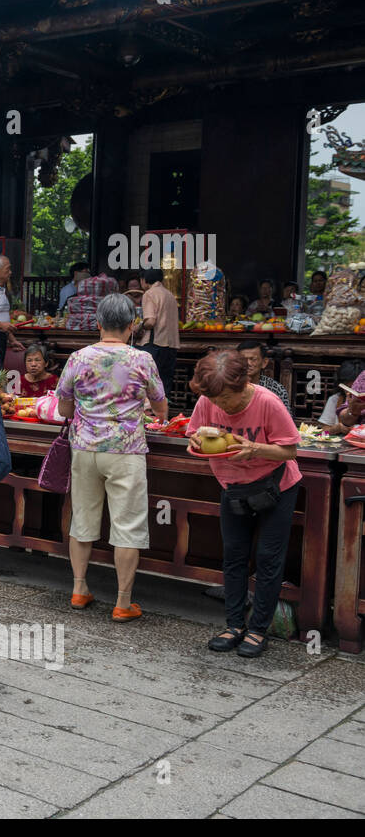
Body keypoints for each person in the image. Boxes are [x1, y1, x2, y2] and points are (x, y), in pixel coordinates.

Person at [56, 293, 168, 622]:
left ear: (98, 323)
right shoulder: (143, 360)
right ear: (132, 326)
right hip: (126, 451)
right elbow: (160, 409)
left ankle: (79, 589)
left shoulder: (78, 357)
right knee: (127, 526)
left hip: (85, 449)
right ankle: (122, 602)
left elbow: (64, 407)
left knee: (83, 520)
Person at [187, 351, 301, 659]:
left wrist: (254, 449)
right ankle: (234, 625)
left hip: (275, 487)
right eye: (216, 400)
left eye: (227, 399)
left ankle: (258, 629)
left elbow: (289, 450)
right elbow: (193, 433)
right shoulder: (208, 400)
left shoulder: (267, 402)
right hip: (233, 487)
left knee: (267, 558)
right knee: (234, 555)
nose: (221, 406)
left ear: (244, 383)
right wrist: (195, 441)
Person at [136, 265, 180, 390]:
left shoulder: (149, 294)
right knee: (165, 384)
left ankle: (150, 410)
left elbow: (150, 322)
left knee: (148, 384)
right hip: (171, 346)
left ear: (144, 279)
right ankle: (164, 409)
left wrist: (139, 326)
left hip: (155, 344)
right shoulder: (170, 294)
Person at [237, 340, 291, 414]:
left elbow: (286, 420)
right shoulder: (230, 386)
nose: (248, 363)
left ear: (264, 362)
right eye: (243, 360)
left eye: (253, 359)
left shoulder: (276, 389)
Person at [66, 264, 117, 331]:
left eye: (88, 272)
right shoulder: (69, 291)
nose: (88, 274)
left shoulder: (77, 300)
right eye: (86, 272)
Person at [318, 359, 365, 431]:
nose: (351, 391)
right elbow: (322, 432)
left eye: (357, 388)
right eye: (348, 387)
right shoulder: (335, 399)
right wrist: (336, 429)